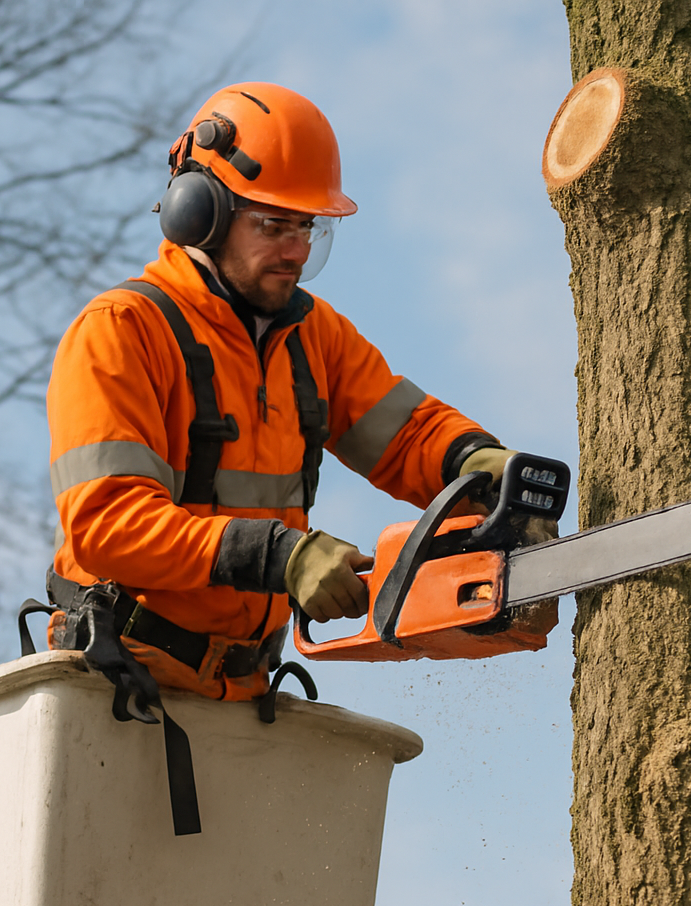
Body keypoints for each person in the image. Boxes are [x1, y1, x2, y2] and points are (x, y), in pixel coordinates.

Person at [45, 81, 539, 705]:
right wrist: (279, 556)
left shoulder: (314, 335)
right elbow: (108, 524)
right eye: (275, 225)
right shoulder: (122, 331)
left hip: (243, 687)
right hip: (117, 680)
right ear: (200, 213)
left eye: (308, 227)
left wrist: (478, 465)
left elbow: (406, 435)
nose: (297, 251)